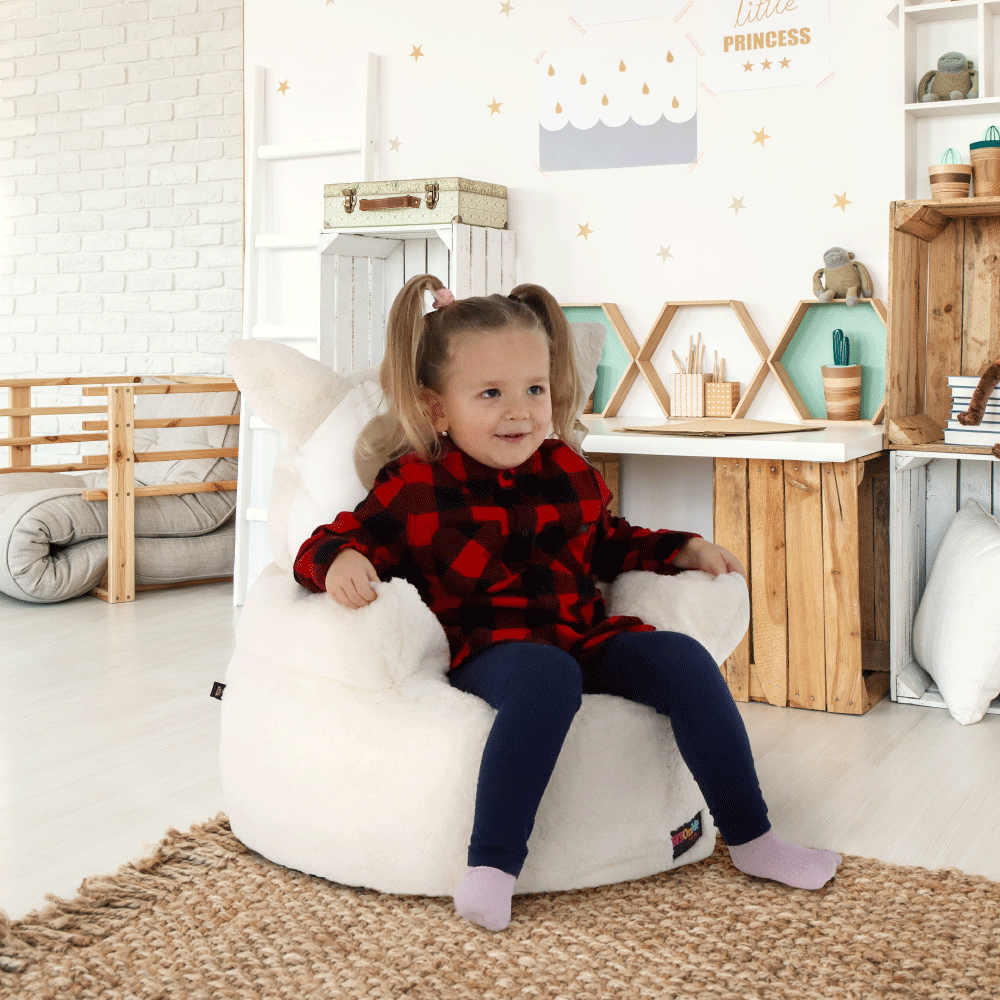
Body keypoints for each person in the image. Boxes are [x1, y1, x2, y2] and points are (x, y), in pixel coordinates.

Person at [293, 274, 842, 932]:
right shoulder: (414, 486)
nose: (520, 412)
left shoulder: (566, 469)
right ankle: (491, 867)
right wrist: (338, 561)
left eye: (535, 390)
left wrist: (680, 548)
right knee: (545, 676)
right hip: (493, 649)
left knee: (684, 659)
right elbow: (330, 541)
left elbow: (609, 542)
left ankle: (754, 838)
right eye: (491, 394)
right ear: (437, 410)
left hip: (583, 635)